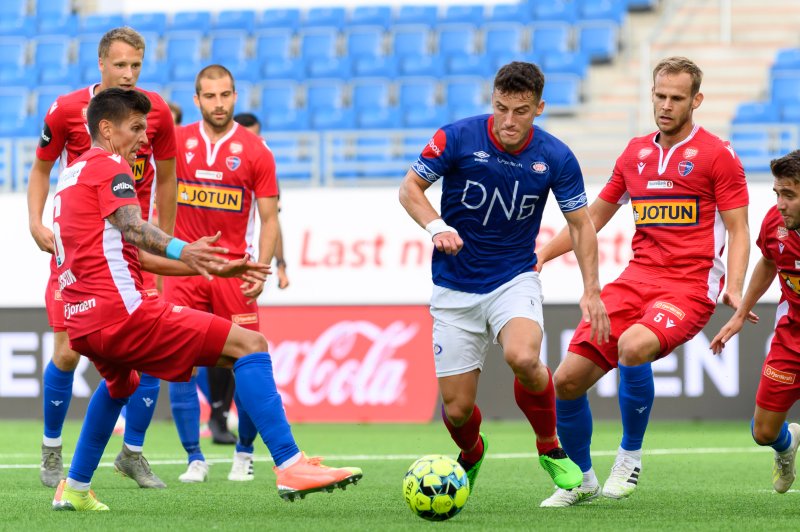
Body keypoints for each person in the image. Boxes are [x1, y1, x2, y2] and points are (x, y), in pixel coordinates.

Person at [49, 87, 362, 511]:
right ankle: (290, 465)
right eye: (136, 128)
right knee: (250, 345)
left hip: (83, 320)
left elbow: (128, 252)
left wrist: (207, 266)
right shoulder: (112, 167)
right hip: (124, 313)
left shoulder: (71, 176)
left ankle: (75, 487)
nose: (144, 138)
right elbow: (133, 229)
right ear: (106, 128)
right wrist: (185, 249)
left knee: (122, 382)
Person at [535, 56, 751, 507]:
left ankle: (629, 458)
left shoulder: (717, 155)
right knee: (567, 380)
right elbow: (590, 217)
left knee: (634, 345)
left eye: (677, 98)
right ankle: (581, 480)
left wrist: (735, 282)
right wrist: (541, 255)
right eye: (660, 96)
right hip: (635, 280)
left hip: (689, 287)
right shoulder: (634, 153)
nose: (666, 105)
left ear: (697, 100)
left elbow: (737, 228)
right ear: (651, 94)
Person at [398, 61, 609, 496]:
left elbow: (581, 225)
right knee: (456, 410)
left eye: (521, 110)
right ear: (491, 100)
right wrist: (437, 227)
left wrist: (591, 289)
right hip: (454, 286)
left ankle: (550, 447)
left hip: (515, 278)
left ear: (539, 108)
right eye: (501, 108)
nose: (509, 121)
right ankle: (473, 450)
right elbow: (409, 190)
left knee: (524, 358)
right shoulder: (455, 137)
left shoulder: (555, 156)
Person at [27, 26, 177, 490]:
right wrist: (35, 222)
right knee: (68, 353)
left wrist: (165, 239)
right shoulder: (69, 109)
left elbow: (168, 178)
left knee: (149, 349)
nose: (128, 75)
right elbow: (40, 168)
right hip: (81, 250)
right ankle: (52, 450)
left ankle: (132, 452)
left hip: (132, 247)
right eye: (119, 65)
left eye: (135, 65)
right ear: (101, 64)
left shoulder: (156, 113)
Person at [166, 66, 286, 482]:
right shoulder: (176, 143)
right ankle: (193, 459)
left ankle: (244, 452)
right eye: (210, 96)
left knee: (249, 359)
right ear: (197, 100)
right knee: (177, 363)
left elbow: (270, 219)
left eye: (225, 95)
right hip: (183, 271)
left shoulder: (256, 150)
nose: (219, 104)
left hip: (235, 272)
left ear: (235, 96)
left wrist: (262, 270)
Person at [711, 151, 800, 494]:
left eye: (789, 195)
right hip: (791, 335)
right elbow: (768, 261)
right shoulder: (774, 225)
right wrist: (739, 312)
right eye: (777, 193)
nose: (780, 204)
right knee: (762, 432)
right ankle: (786, 445)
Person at [234, 111, 290, 289]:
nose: (251, 145)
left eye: (255, 138)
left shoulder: (263, 171)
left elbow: (271, 221)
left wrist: (280, 265)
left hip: (241, 266)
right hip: (199, 264)